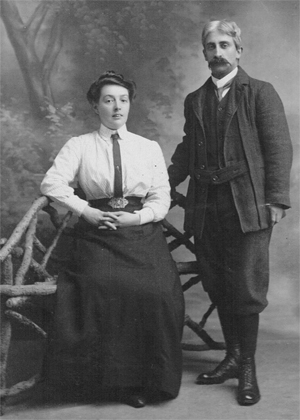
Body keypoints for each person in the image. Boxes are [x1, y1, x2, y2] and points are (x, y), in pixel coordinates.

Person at [40, 71, 184, 408]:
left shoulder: (147, 148)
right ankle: (109, 383)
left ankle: (146, 380)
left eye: (123, 99)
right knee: (100, 285)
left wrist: (137, 217)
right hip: (97, 232)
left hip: (140, 231)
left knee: (158, 289)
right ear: (95, 105)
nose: (117, 107)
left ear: (130, 104)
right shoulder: (79, 145)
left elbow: (160, 199)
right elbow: (52, 184)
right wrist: (86, 212)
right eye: (108, 100)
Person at [168, 20, 292, 406]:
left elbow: (278, 148)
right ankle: (233, 358)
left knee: (247, 288)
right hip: (207, 207)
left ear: (239, 50)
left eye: (225, 45)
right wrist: (159, 182)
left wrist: (275, 200)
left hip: (249, 206)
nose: (218, 52)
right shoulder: (195, 100)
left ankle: (248, 367)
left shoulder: (260, 93)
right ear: (204, 54)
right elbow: (188, 150)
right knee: (218, 285)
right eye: (211, 46)